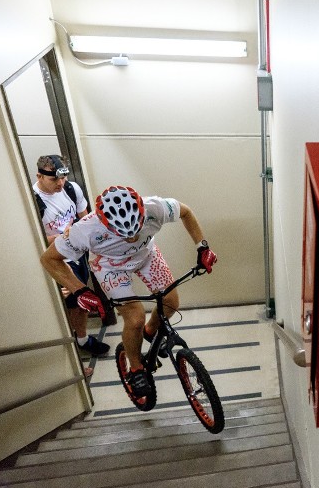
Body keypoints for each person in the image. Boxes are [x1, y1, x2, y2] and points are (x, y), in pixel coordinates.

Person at [40, 185, 218, 397]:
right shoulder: (84, 229)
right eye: (124, 235)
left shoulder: (155, 207)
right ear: (105, 225)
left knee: (171, 303)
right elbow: (49, 259)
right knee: (135, 319)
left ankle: (150, 332)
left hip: (147, 255)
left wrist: (203, 247)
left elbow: (186, 212)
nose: (131, 239)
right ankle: (135, 368)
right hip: (110, 267)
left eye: (136, 230)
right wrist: (79, 290)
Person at [33, 155, 109, 376]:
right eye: (54, 180)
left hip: (77, 254)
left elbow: (85, 220)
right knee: (63, 304)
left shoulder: (71, 189)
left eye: (63, 178)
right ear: (39, 176)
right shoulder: (34, 200)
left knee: (81, 298)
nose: (60, 184)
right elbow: (35, 238)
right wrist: (65, 235)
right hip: (56, 259)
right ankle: (70, 362)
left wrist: (92, 247)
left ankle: (83, 338)